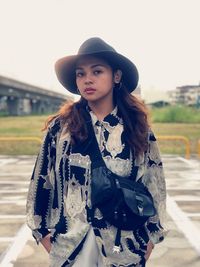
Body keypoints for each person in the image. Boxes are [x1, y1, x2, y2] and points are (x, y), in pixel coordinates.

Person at [26, 37, 167, 267]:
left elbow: (154, 184)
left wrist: (149, 240)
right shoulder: (61, 128)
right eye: (81, 74)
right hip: (71, 249)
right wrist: (43, 233)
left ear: (116, 76)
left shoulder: (137, 128)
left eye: (97, 71)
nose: (87, 79)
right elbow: (41, 181)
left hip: (123, 249)